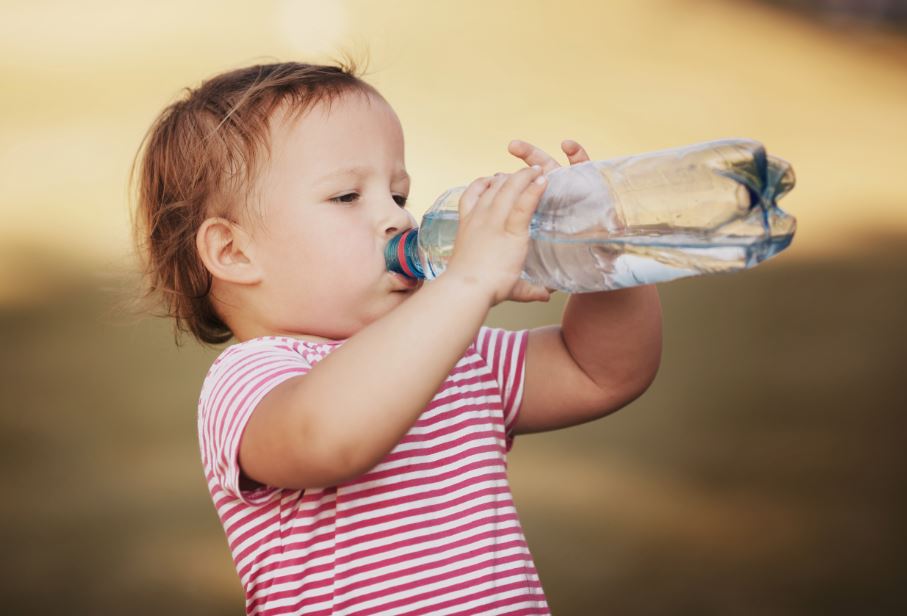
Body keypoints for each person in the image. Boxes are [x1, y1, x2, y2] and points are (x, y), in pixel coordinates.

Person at [131, 59, 663, 615]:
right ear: (234, 252)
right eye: (346, 197)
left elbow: (602, 371)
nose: (399, 220)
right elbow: (329, 437)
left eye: (399, 195)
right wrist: (468, 282)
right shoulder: (251, 380)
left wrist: (601, 257)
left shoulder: (456, 351)